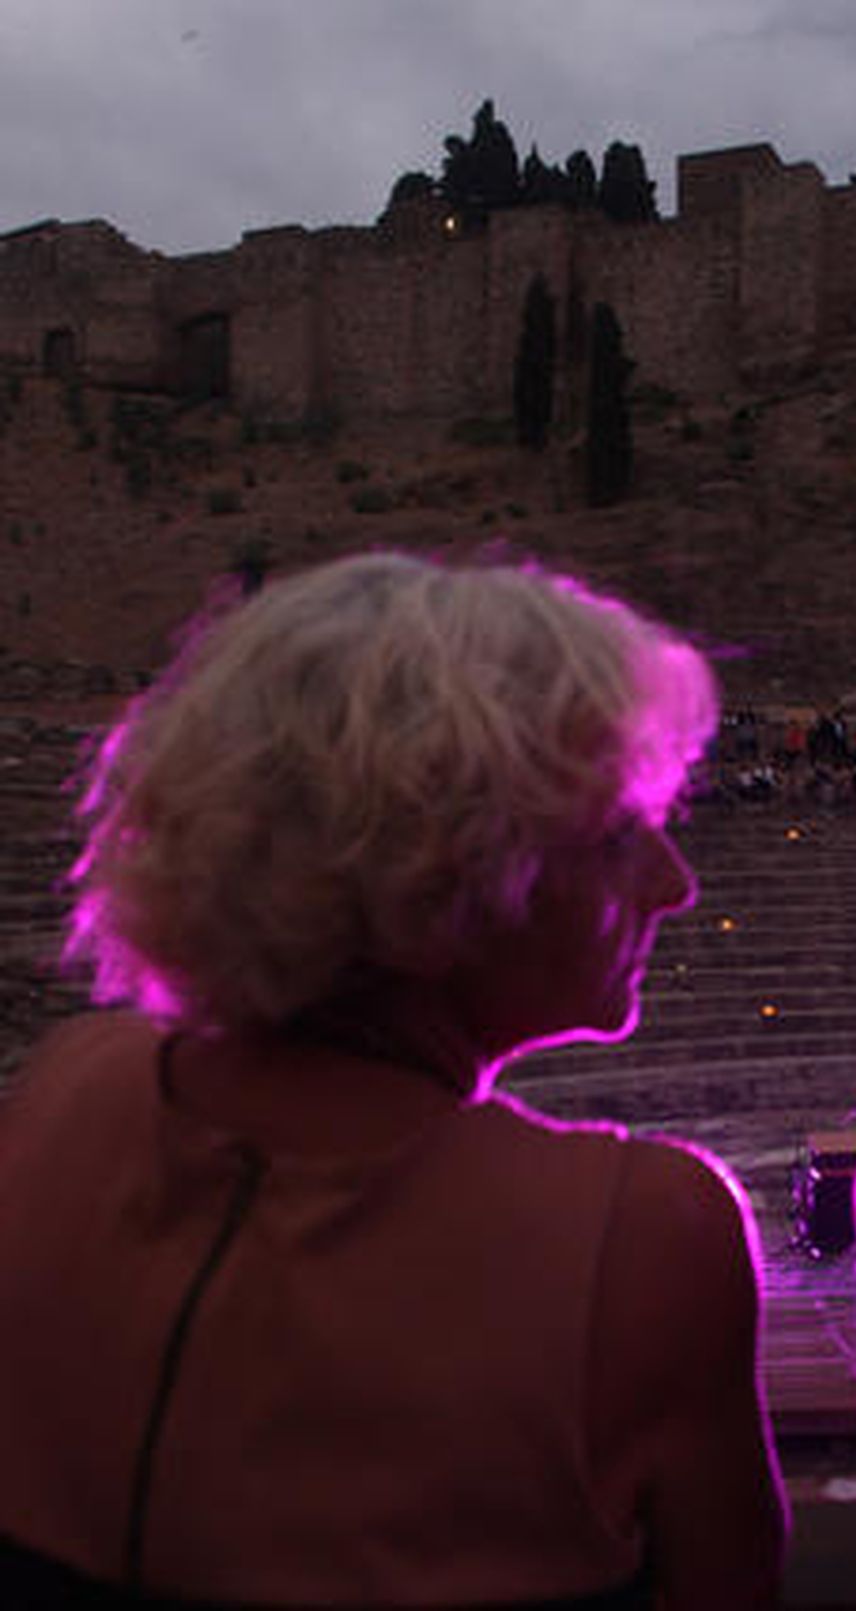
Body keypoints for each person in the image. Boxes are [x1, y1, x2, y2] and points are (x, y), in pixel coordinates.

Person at [0, 552, 786, 1608]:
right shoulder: (643, 1235)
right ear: (443, 862)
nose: (675, 886)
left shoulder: (62, 1092)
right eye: (618, 838)